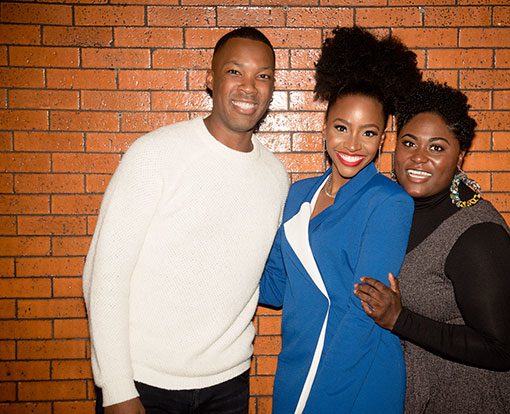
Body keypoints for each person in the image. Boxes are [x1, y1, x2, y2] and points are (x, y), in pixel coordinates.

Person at [82, 27, 289, 414]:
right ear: (210, 80)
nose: (249, 87)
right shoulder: (155, 154)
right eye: (235, 72)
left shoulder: (276, 177)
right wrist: (115, 388)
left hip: (228, 385)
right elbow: (104, 275)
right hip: (144, 384)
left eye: (263, 76)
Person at [353, 80, 510, 413]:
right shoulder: (393, 209)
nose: (418, 158)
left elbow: (501, 350)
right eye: (409, 142)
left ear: (461, 155)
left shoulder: (479, 234)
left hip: (480, 395)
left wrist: (401, 320)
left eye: (437, 148)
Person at [259, 27, 421, 414]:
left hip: (355, 376)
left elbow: (363, 314)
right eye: (341, 128)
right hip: (297, 366)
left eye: (368, 133)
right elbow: (275, 290)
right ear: (325, 127)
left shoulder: (389, 202)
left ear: (382, 139)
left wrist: (323, 399)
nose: (351, 145)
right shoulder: (298, 195)